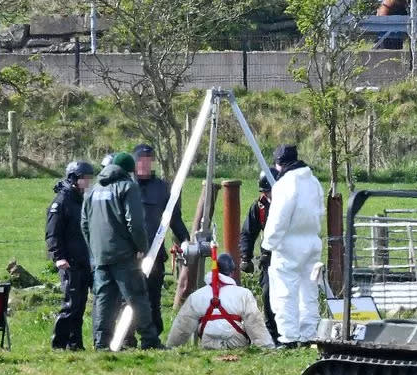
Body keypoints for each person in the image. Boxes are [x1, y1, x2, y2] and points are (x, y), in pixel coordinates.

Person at [81, 152, 163, 350]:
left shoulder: (93, 190)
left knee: (103, 300)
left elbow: (84, 223)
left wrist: (95, 249)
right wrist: (141, 247)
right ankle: (149, 340)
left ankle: (101, 343)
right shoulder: (128, 187)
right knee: (137, 297)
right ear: (129, 170)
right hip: (124, 254)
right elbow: (134, 222)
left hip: (101, 254)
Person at [261, 145, 325, 347]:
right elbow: (320, 211)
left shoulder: (285, 184)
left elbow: (278, 219)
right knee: (309, 291)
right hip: (312, 241)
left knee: (285, 291)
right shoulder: (314, 182)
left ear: (279, 164)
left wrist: (268, 244)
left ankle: (289, 338)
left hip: (290, 245)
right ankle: (308, 335)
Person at [132, 143, 190, 336]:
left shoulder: (162, 188)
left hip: (154, 254)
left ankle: (153, 335)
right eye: (141, 160)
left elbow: (174, 217)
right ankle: (126, 337)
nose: (145, 164)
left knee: (153, 297)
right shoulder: (127, 186)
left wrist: (184, 239)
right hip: (130, 255)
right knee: (128, 298)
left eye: (149, 160)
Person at [166, 253, 274, 349]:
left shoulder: (197, 296)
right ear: (231, 272)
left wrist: (172, 346)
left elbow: (182, 326)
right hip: (236, 342)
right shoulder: (244, 294)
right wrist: (266, 346)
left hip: (208, 342)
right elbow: (255, 323)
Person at [45, 161, 94, 350]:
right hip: (68, 261)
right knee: (71, 304)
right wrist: (59, 257)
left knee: (80, 305)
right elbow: (52, 233)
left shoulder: (80, 199)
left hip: (82, 260)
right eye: (85, 178)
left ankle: (75, 344)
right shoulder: (61, 202)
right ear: (74, 178)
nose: (88, 182)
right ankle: (59, 343)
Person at [239, 168, 279, 344]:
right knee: (267, 293)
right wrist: (245, 257)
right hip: (269, 256)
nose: (267, 195)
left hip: (290, 255)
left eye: (269, 190)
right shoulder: (259, 207)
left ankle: (293, 335)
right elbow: (248, 232)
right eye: (264, 191)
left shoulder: (289, 203)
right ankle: (272, 334)